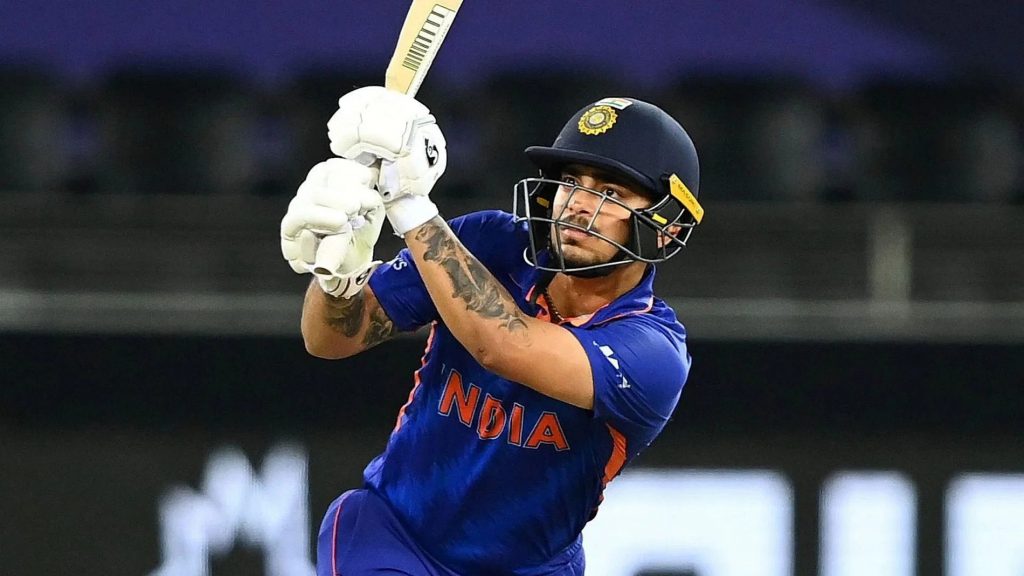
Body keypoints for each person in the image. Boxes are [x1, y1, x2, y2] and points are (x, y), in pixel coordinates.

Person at [280, 87, 705, 576]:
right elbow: (329, 339)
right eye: (571, 181)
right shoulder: (490, 242)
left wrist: (410, 203)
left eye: (610, 193)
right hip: (395, 536)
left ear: (666, 226)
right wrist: (339, 279)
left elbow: (503, 345)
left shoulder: (653, 353)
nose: (578, 205)